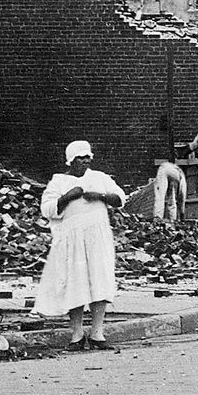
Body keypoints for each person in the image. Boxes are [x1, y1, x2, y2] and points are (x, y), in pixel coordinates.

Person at [34, 141, 126, 349]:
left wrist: (100, 196)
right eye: (80, 158)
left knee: (99, 281)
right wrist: (68, 197)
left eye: (87, 158)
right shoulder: (59, 181)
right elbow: (47, 209)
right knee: (75, 283)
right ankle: (77, 334)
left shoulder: (99, 178)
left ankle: (97, 333)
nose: (85, 162)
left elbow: (120, 198)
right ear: (70, 160)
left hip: (97, 237)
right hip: (71, 239)